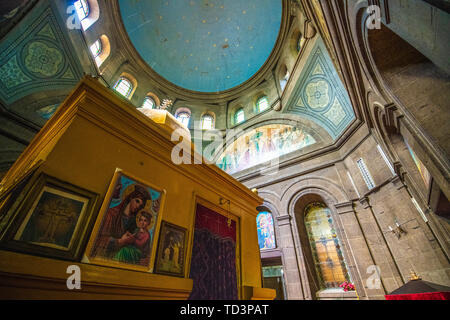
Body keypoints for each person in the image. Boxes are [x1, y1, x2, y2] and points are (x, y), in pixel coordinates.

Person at [90, 183, 151, 260]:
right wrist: (119, 241)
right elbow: (96, 240)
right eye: (137, 201)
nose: (138, 206)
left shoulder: (134, 222)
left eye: (141, 206)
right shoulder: (111, 214)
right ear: (130, 198)